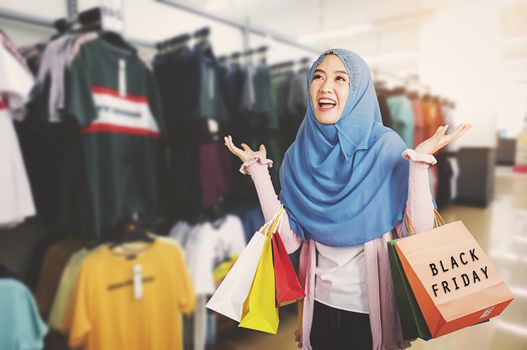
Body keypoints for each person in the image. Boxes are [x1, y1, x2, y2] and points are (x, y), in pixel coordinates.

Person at [224, 49, 471, 350]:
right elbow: (288, 242)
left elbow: (418, 234)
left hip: (371, 315)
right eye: (318, 76)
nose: (326, 86)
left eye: (340, 78)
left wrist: (419, 162)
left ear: (358, 91)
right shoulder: (296, 155)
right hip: (319, 312)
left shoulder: (386, 146)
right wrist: (259, 173)